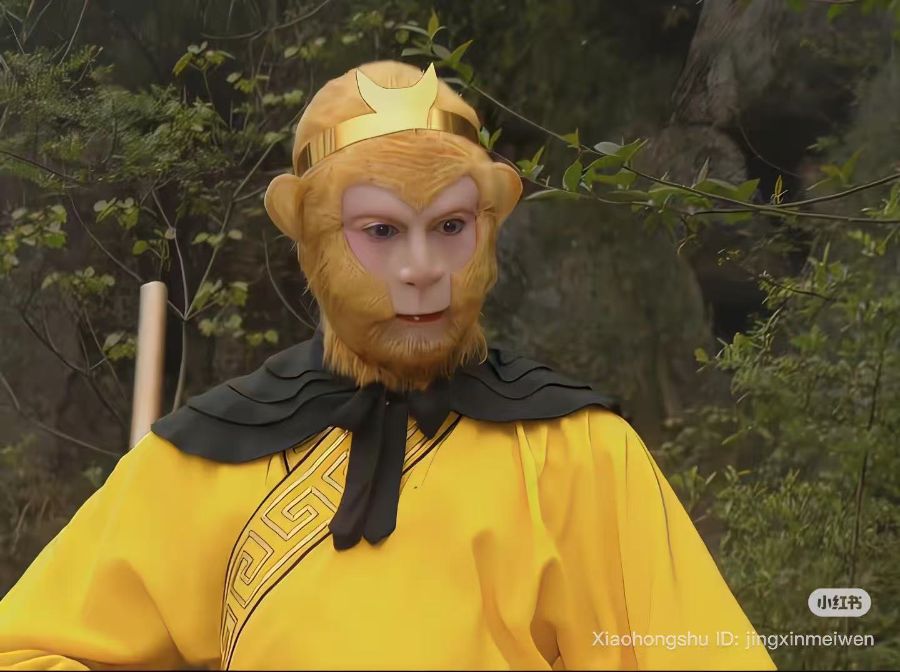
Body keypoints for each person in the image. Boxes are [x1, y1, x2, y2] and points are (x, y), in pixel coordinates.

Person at [0, 60, 775, 670]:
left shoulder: (581, 454)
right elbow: (25, 651)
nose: (422, 268)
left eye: (450, 226)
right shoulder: (199, 459)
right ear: (315, 243)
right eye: (380, 231)